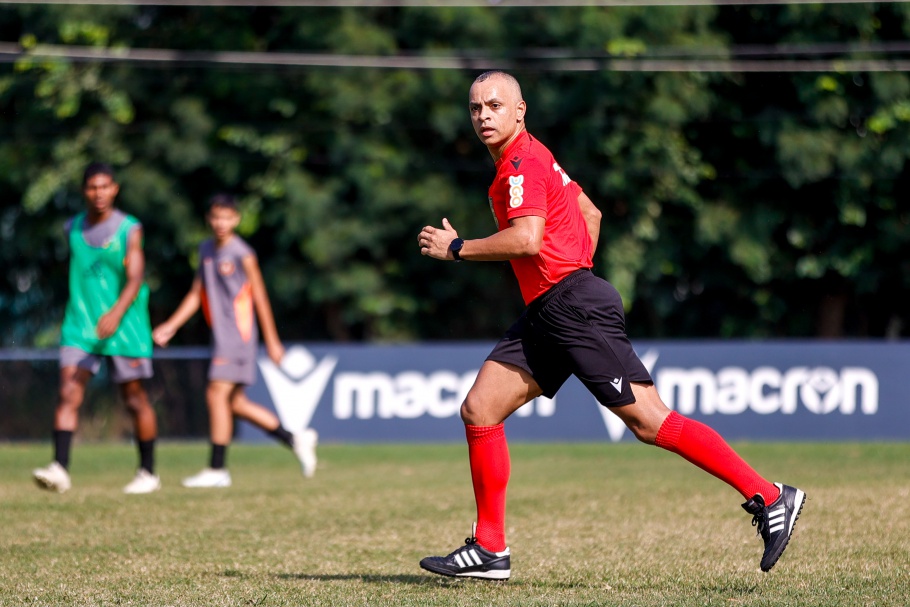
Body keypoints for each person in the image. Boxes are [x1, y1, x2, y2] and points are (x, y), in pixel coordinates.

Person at [416, 71, 806, 580]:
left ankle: (771, 496)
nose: (484, 116)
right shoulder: (536, 157)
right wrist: (572, 265)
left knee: (650, 421)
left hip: (572, 305)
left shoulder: (520, 165)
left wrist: (460, 249)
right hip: (554, 306)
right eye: (475, 108)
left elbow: (528, 240)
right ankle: (490, 550)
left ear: (520, 110)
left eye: (494, 105)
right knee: (480, 408)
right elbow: (590, 211)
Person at [152, 194, 317, 488]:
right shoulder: (205, 250)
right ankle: (295, 439)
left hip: (238, 336)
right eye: (216, 217)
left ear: (237, 220)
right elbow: (195, 293)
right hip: (221, 336)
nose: (220, 223)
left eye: (227, 217)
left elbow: (260, 297)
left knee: (215, 394)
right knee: (235, 403)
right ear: (209, 219)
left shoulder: (243, 253)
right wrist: (171, 326)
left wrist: (273, 340)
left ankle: (217, 469)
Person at [33, 162, 161, 495]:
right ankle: (60, 468)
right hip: (81, 325)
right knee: (68, 392)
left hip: (124, 326)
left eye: (105, 186)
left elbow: (135, 277)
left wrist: (117, 312)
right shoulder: (72, 228)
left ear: (115, 189)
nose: (99, 193)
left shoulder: (130, 229)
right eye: (92, 187)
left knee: (134, 399)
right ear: (84, 191)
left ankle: (148, 472)